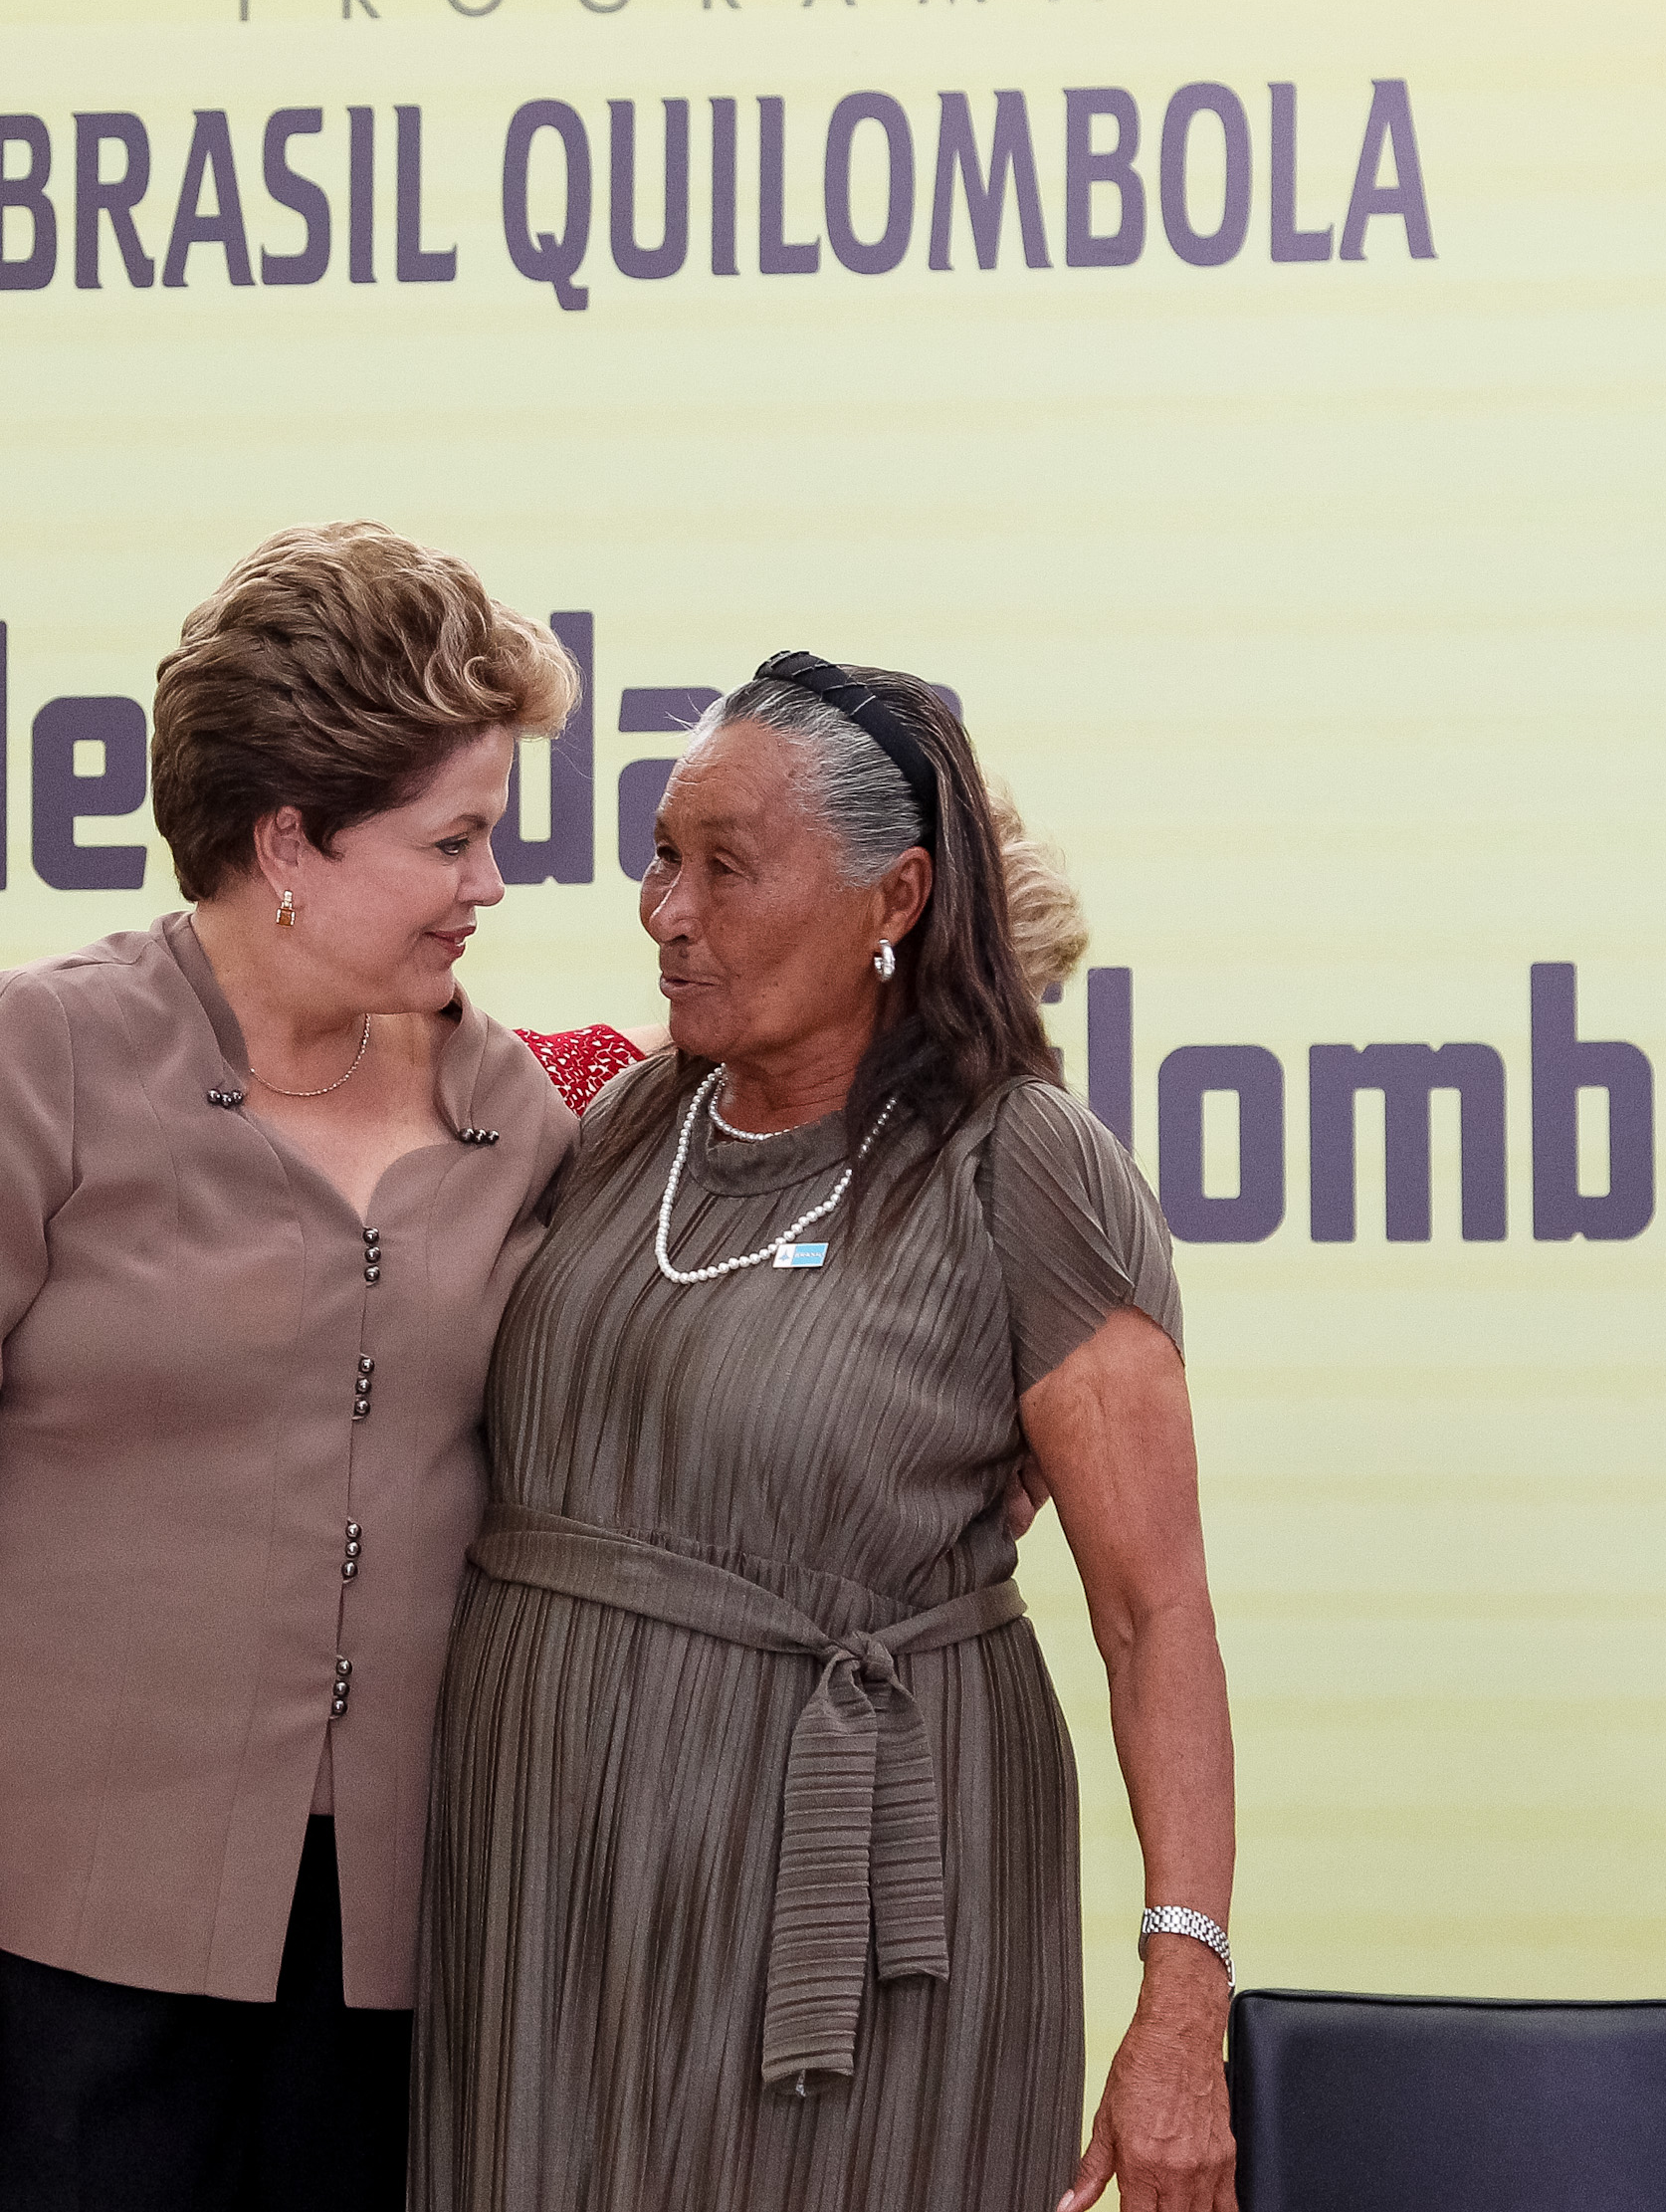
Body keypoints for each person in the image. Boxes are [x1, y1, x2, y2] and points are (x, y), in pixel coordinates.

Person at [0, 523, 580, 2209]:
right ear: (288, 840)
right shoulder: (41, 1058)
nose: (489, 886)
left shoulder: (513, 1114)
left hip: (387, 1969)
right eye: (450, 841)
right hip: (54, 1955)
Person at [416, 655, 1240, 2212]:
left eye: (728, 867)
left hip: (850, 1918)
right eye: (663, 854)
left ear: (896, 895)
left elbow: (1153, 1612)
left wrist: (1178, 2002)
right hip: (547, 1903)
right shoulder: (621, 1130)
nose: (667, 907)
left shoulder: (1021, 1164)